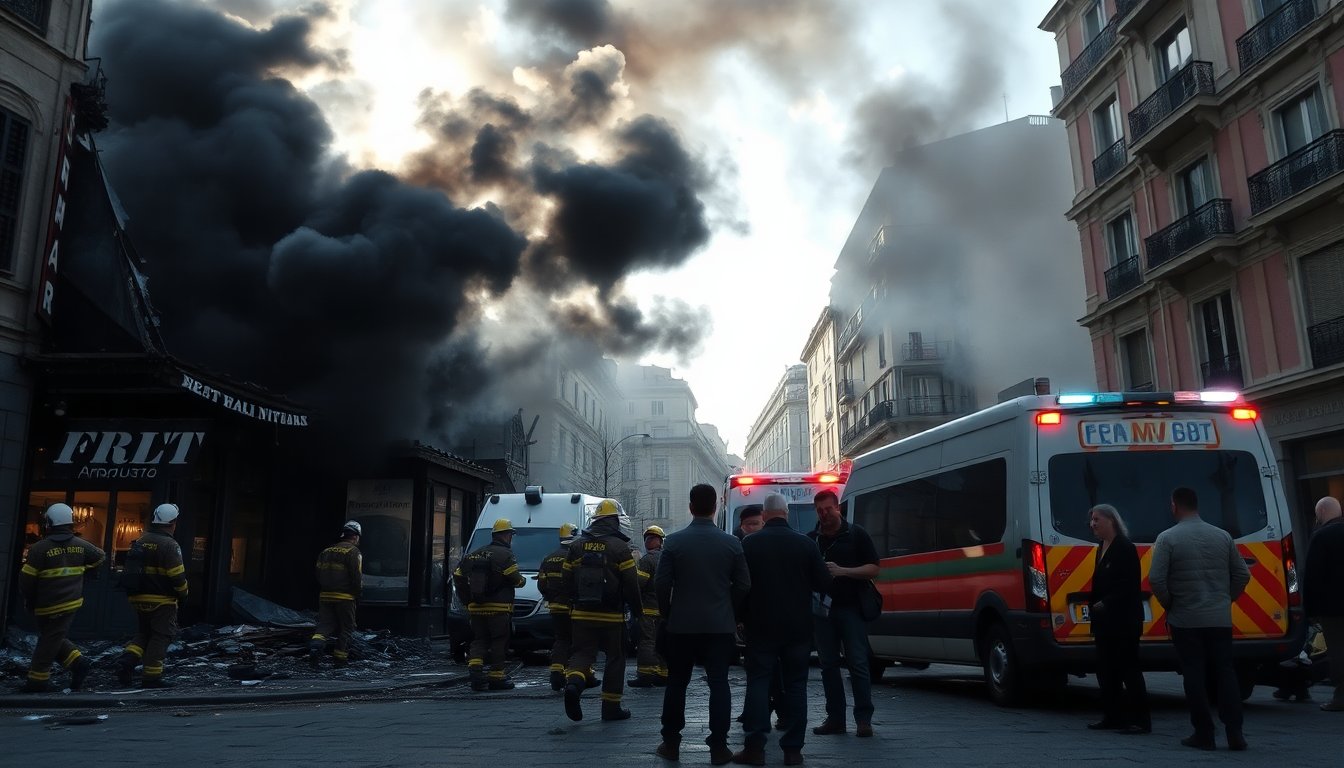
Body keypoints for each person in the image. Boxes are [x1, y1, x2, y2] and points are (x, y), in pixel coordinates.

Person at [655, 484, 751, 765]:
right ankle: (719, 747)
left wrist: (668, 613)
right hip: (719, 626)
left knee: (677, 682)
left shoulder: (674, 542)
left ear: (690, 506)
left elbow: (661, 583)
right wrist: (729, 609)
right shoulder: (732, 544)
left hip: (681, 625)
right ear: (715, 507)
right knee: (719, 683)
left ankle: (671, 743)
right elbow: (744, 584)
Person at [733, 493, 831, 766]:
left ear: (764, 516)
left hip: (760, 626)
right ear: (786, 514)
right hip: (797, 627)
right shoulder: (805, 544)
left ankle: (754, 748)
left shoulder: (749, 544)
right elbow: (824, 583)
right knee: (797, 685)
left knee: (758, 682)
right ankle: (793, 750)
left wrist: (739, 616)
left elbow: (740, 585)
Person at [1149, 487, 1251, 751]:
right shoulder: (1222, 536)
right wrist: (1225, 599)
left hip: (1186, 619)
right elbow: (1243, 574)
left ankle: (1204, 733)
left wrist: (1170, 604)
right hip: (1219, 618)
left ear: (1174, 506)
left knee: (1194, 673)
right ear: (1197, 505)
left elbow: (1156, 579)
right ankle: (1235, 732)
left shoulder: (1167, 538)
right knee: (1225, 671)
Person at [560, 499, 642, 721]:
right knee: (615, 658)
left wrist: (572, 604)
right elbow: (631, 584)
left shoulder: (576, 546)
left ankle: (574, 685)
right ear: (614, 520)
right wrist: (637, 611)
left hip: (581, 613)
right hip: (612, 616)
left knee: (581, 654)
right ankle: (611, 707)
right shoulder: (619, 547)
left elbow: (565, 580)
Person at [809, 489, 879, 737]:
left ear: (838, 508)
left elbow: (874, 568)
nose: (824, 514)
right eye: (819, 511)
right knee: (828, 665)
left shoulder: (856, 534)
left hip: (851, 608)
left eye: (828, 509)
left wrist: (843, 571)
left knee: (857, 663)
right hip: (822, 612)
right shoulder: (812, 540)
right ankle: (835, 718)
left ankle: (863, 720)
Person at [18, 503, 104, 693]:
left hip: (46, 603)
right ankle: (78, 663)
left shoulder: (40, 549)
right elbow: (100, 556)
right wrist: (84, 570)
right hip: (70, 602)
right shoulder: (81, 545)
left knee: (48, 640)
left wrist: (28, 599)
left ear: (49, 523)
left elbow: (27, 580)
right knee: (53, 636)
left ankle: (37, 681)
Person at [1084, 504, 1150, 734]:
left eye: (1097, 519)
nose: (1092, 524)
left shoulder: (1124, 547)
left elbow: (1129, 585)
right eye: (1092, 520)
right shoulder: (1101, 547)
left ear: (1111, 520)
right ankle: (1112, 716)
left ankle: (1140, 720)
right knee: (1105, 669)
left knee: (1128, 669)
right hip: (1104, 622)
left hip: (1123, 620)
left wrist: (1107, 602)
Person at [116, 503, 189, 688]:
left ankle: (126, 661)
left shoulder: (141, 540)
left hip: (138, 597)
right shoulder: (170, 545)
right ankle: (151, 677)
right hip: (161, 600)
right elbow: (177, 575)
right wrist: (184, 594)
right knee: (161, 635)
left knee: (144, 633)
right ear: (173, 522)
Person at [453, 518, 526, 691]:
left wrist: (468, 600)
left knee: (480, 640)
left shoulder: (474, 554)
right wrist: (522, 581)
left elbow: (458, 576)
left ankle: (475, 671)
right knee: (499, 640)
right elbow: (517, 581)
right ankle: (497, 676)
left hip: (477, 608)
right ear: (506, 535)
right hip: (499, 609)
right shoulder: (505, 555)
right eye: (510, 534)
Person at [1304, 495, 1343, 712]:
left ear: (1320, 513)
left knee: (1338, 650)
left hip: (1333, 608)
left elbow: (1312, 576)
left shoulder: (1321, 536)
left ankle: (1341, 697)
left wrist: (1310, 610)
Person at [308, 521, 363, 669]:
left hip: (325, 596)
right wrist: (357, 594)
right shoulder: (353, 552)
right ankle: (340, 660)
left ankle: (315, 648)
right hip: (345, 597)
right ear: (355, 537)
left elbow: (318, 573)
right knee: (347, 628)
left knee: (324, 626)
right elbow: (356, 576)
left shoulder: (325, 552)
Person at [538, 522, 579, 691]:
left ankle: (556, 672)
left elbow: (541, 584)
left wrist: (551, 597)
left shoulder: (548, 558)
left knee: (561, 639)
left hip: (555, 607)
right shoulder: (575, 557)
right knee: (576, 641)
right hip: (572, 607)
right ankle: (573, 674)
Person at [629, 525, 668, 688]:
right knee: (663, 641)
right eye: (647, 538)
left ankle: (645, 675)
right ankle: (663, 674)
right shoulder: (668, 558)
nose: (648, 541)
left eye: (651, 538)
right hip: (665, 610)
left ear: (660, 541)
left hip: (648, 609)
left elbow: (639, 584)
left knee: (647, 641)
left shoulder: (646, 560)